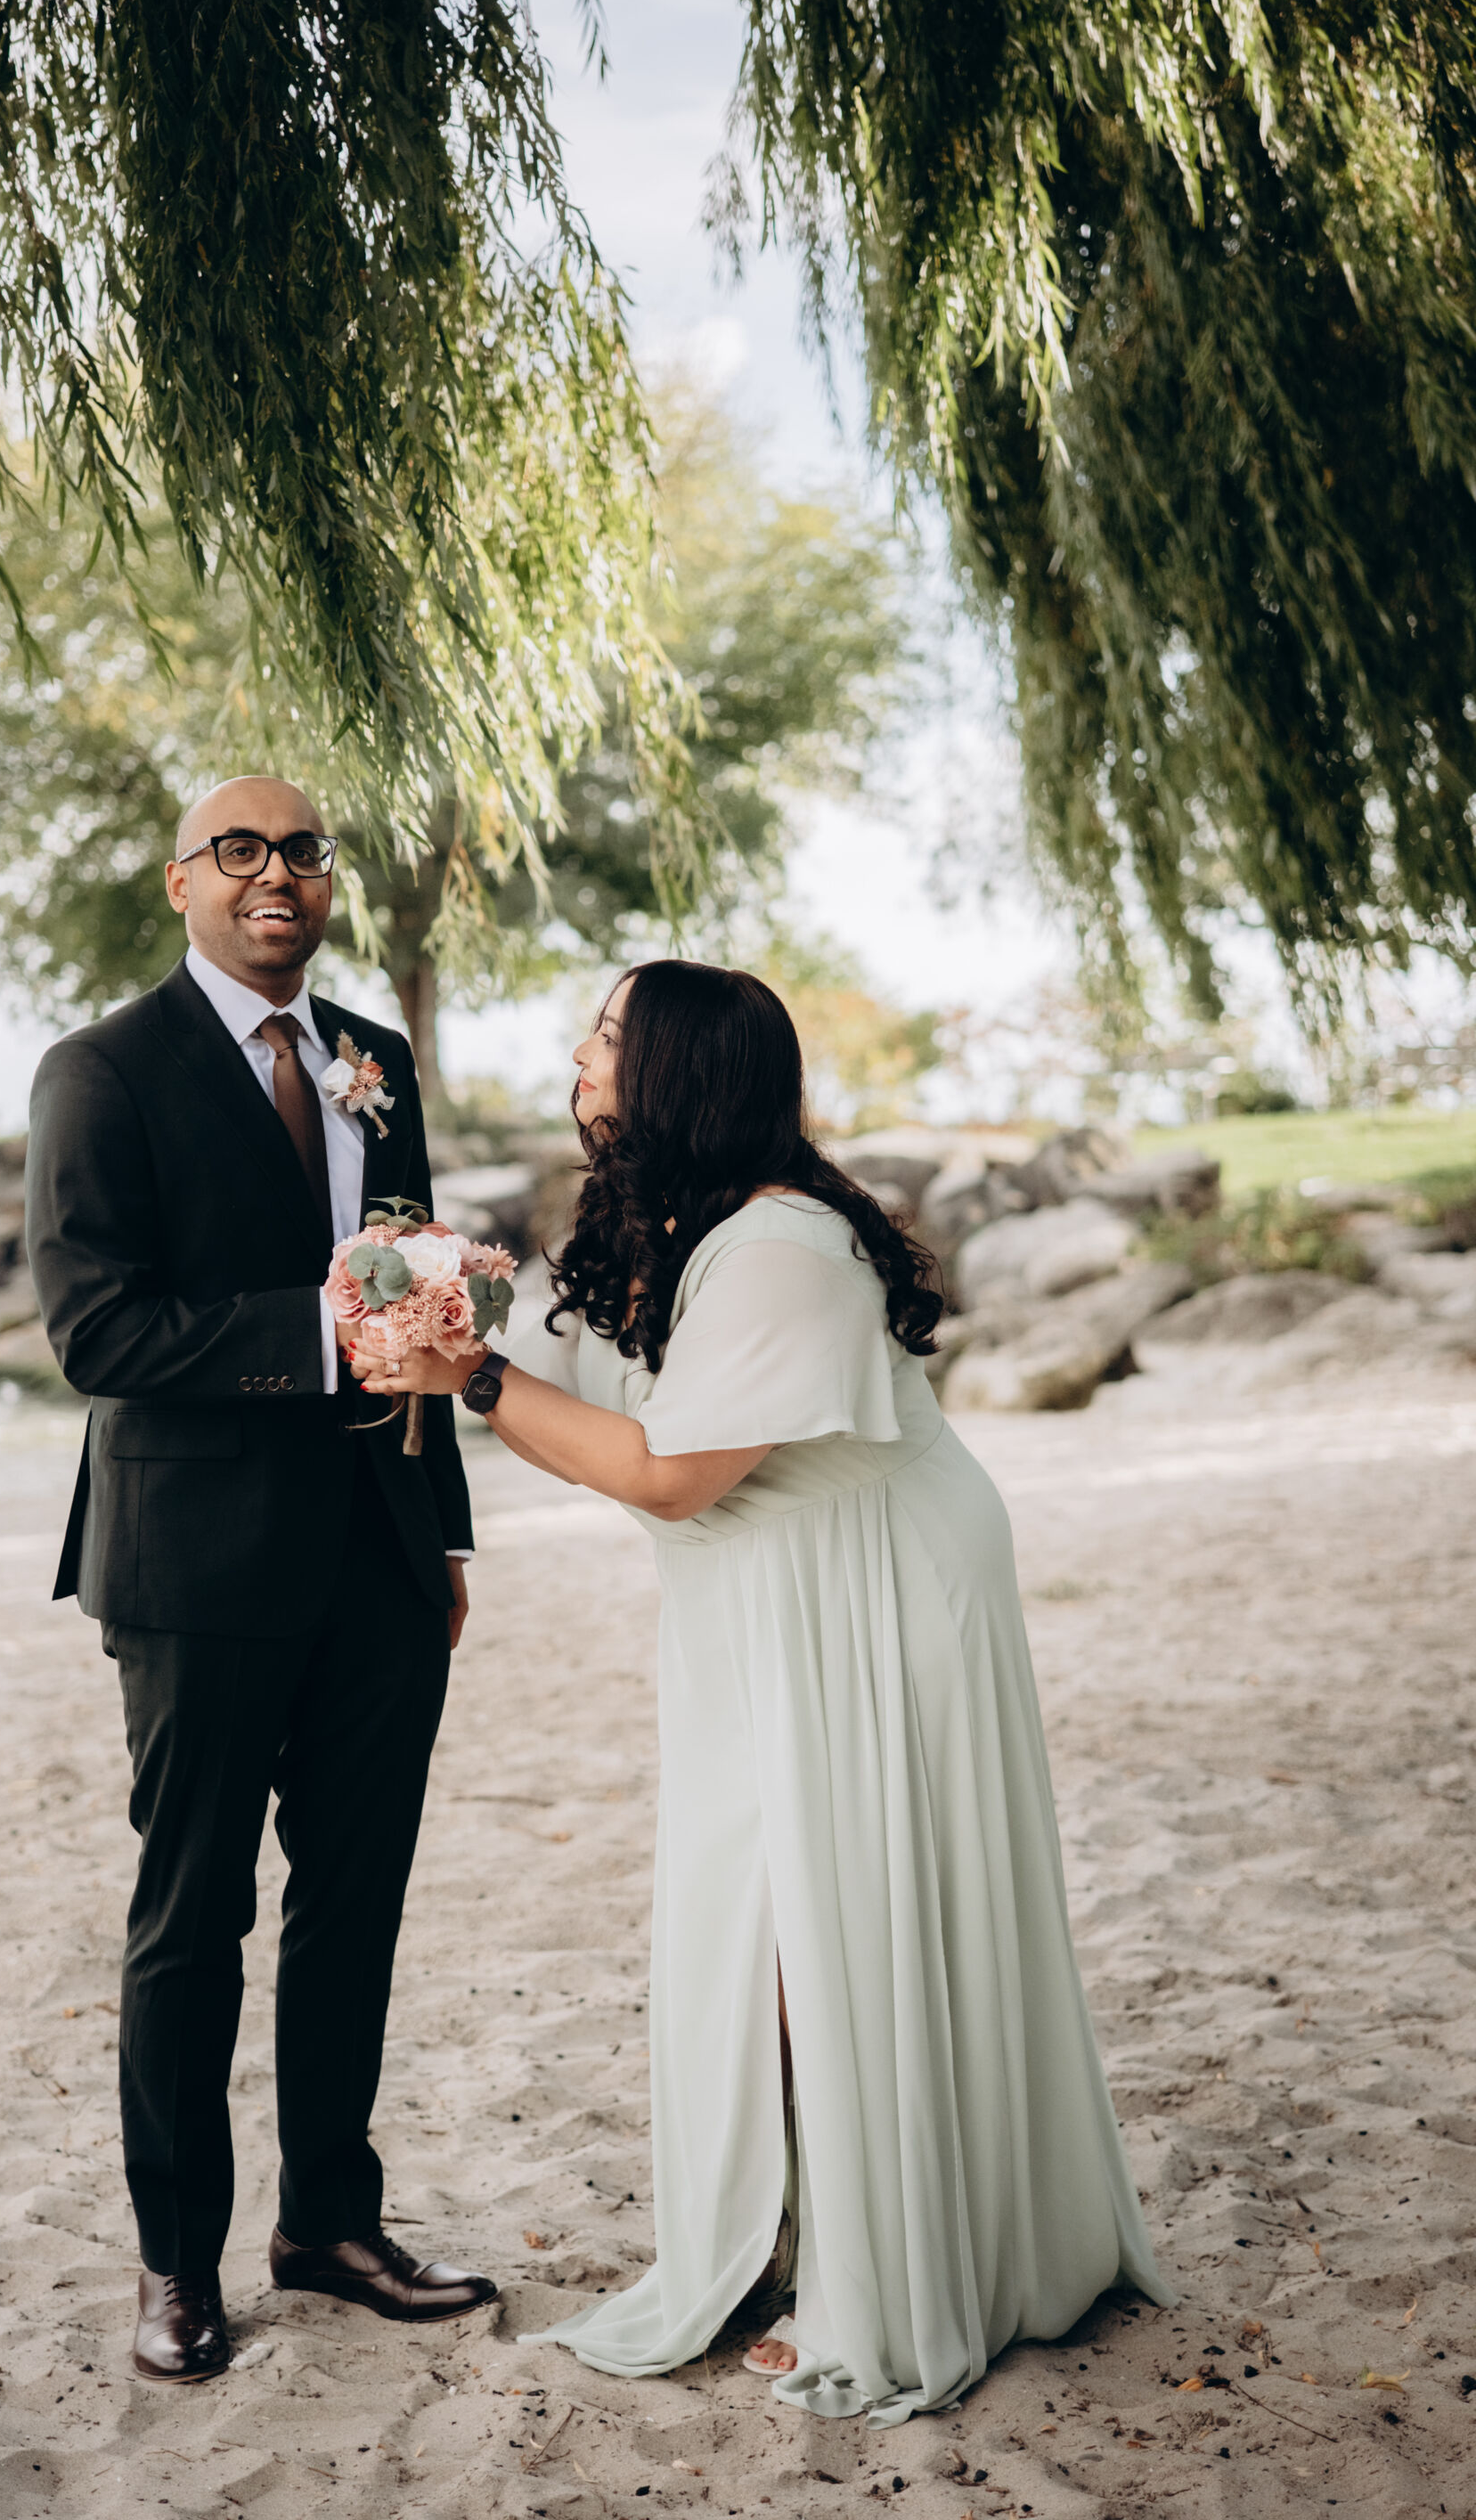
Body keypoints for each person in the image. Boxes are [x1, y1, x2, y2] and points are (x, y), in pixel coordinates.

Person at [347, 958, 1171, 2424]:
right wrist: (421, 1300)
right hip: (761, 1598)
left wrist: (469, 1382)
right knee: (766, 1914)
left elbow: (669, 1475)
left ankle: (868, 2268)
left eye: (609, 1035)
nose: (580, 1053)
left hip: (872, 1594)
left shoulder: (783, 1246)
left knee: (822, 1922)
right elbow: (563, 1376)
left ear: (680, 1071)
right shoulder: (668, 1221)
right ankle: (797, 2229)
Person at [26, 776, 497, 2384]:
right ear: (183, 882)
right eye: (239, 850)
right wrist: (322, 1331)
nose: (275, 873)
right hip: (195, 1566)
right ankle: (177, 2263)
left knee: (354, 1905)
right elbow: (98, 1332)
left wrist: (442, 1530)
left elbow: (421, 1296)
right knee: (192, 1917)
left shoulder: (377, 1059)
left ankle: (330, 2228)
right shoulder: (101, 1071)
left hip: (379, 1548)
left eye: (302, 849)